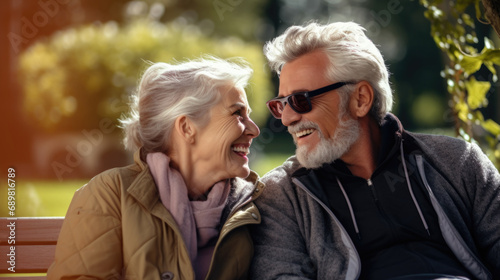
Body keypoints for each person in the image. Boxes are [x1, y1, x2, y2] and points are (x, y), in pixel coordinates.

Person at [250, 21, 500, 280]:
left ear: (360, 99)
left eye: (300, 100)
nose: (287, 118)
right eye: (280, 104)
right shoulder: (282, 196)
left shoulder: (459, 161)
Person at [47, 56, 264, 280]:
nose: (254, 130)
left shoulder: (252, 205)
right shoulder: (110, 193)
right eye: (237, 113)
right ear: (187, 127)